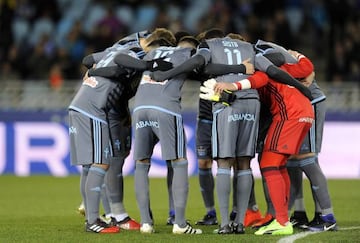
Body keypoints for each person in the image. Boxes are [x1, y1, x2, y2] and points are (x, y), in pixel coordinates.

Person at [205, 46, 315, 235]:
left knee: (268, 163)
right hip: (305, 114)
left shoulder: (263, 70)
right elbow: (307, 68)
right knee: (278, 165)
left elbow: (257, 79)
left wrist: (233, 86)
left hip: (289, 115)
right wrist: (299, 55)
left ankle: (281, 221)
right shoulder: (288, 69)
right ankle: (283, 218)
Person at [68, 30, 160, 233]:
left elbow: (90, 59)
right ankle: (99, 218)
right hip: (93, 109)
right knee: (101, 162)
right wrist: (148, 65)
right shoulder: (134, 53)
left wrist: (93, 71)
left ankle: (94, 214)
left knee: (92, 164)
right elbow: (118, 66)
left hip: (81, 105)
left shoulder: (116, 48)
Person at [114, 31, 203, 234]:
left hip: (140, 108)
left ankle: (146, 223)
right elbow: (198, 60)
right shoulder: (187, 53)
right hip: (165, 108)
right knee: (179, 162)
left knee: (141, 163)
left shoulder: (151, 53)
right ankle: (180, 224)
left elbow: (120, 58)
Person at [286, 70, 337, 232]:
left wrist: (308, 78)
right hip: (295, 105)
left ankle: (326, 217)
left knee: (308, 158)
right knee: (293, 158)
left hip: (310, 102)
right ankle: (300, 214)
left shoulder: (268, 53)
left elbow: (307, 67)